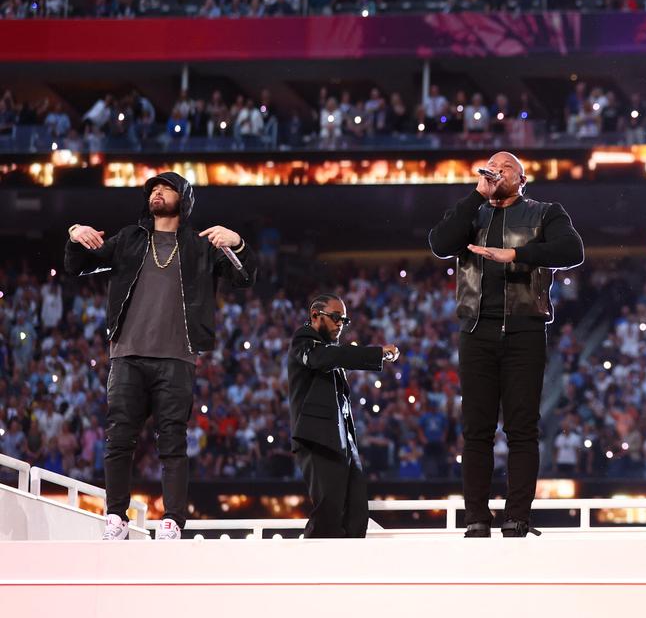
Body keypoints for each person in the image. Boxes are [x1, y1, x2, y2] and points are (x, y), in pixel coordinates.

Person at [64, 172, 256, 541]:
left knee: (172, 442)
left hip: (177, 358)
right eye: (153, 188)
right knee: (119, 438)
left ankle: (171, 521)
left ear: (183, 198)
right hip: (127, 355)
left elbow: (246, 277)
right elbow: (77, 265)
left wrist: (238, 243)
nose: (157, 192)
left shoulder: (201, 247)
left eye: (166, 187)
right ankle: (115, 517)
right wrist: (74, 232)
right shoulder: (130, 239)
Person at [428, 151, 584, 537]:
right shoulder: (471, 212)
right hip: (476, 330)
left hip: (524, 329)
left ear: (523, 179)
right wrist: (476, 194)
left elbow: (572, 251)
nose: (497, 173)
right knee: (476, 430)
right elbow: (440, 243)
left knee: (521, 429)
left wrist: (516, 255)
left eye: (506, 168)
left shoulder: (545, 212)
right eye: (491, 168)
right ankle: (476, 518)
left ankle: (516, 517)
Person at [287, 294, 398, 538]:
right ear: (315, 316)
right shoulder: (304, 339)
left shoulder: (330, 350)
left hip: (342, 440)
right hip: (317, 438)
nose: (340, 324)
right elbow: (324, 359)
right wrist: (376, 353)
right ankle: (313, 568)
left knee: (356, 512)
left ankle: (347, 568)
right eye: (336, 317)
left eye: (344, 320)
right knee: (328, 510)